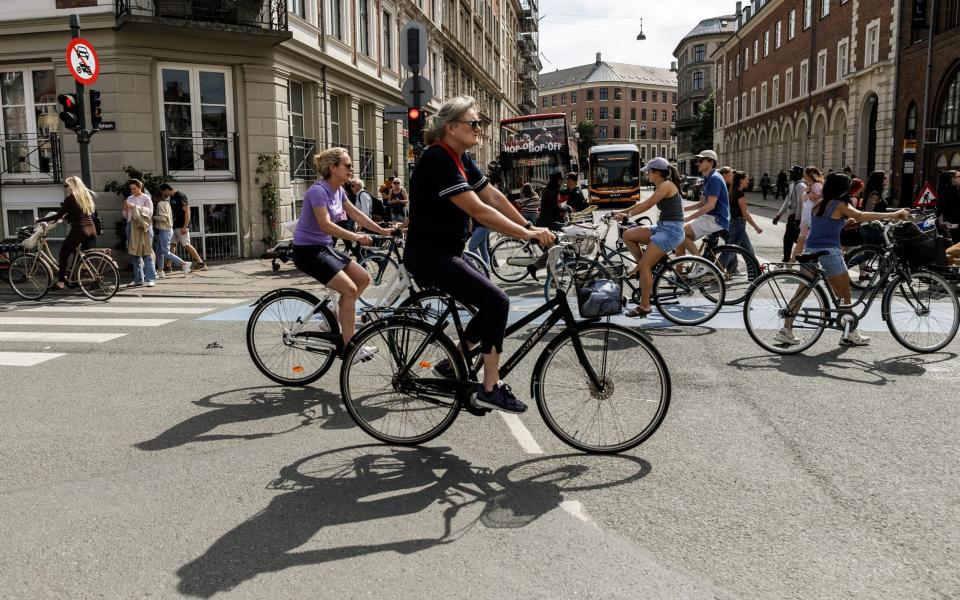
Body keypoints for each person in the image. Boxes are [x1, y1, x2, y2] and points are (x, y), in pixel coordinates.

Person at [404, 95, 554, 414]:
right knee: (497, 301)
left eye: (480, 124)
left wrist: (529, 224)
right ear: (451, 127)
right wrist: (527, 235)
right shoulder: (438, 158)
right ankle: (490, 387)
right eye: (474, 123)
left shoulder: (460, 158)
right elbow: (477, 209)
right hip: (430, 256)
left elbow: (493, 196)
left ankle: (455, 360)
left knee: (489, 305)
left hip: (448, 251)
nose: (480, 129)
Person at [775, 173, 909, 347]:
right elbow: (861, 215)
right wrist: (894, 214)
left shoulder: (820, 203)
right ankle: (850, 333)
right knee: (845, 294)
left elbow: (825, 226)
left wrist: (845, 224)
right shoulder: (840, 204)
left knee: (802, 291)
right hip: (829, 252)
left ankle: (786, 330)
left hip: (811, 249)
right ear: (842, 188)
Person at [292, 147, 396, 362]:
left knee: (363, 278)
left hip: (324, 248)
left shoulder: (339, 191)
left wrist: (382, 230)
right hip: (307, 251)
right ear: (333, 167)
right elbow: (326, 225)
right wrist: (356, 237)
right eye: (347, 165)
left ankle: (335, 314)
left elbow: (356, 214)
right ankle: (350, 348)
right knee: (349, 290)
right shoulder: (317, 191)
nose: (351, 169)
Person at [612, 157, 686, 318]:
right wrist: (622, 211)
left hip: (671, 231)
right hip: (662, 227)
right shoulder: (661, 184)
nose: (647, 175)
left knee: (646, 265)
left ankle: (645, 305)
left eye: (649, 172)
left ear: (657, 173)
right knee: (628, 234)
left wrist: (627, 215)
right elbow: (641, 204)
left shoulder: (666, 185)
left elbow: (647, 205)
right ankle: (642, 265)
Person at [36, 176, 98, 290]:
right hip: (91, 230)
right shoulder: (85, 197)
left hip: (80, 230)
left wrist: (40, 220)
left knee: (63, 254)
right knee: (75, 252)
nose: (65, 188)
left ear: (72, 186)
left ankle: (60, 282)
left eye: (66, 186)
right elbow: (81, 213)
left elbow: (58, 215)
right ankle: (78, 274)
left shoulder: (70, 198)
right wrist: (68, 217)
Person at [678, 149, 729, 257]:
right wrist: (682, 209)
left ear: (711, 162)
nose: (698, 163)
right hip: (710, 217)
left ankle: (701, 263)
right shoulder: (707, 177)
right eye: (698, 160)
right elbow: (703, 203)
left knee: (679, 232)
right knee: (680, 238)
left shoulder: (714, 178)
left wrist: (689, 218)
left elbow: (710, 205)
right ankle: (679, 271)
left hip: (715, 219)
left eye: (701, 160)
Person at [158, 184, 206, 271]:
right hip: (174, 226)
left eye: (162, 192)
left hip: (182, 225)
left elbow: (188, 211)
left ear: (166, 190)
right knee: (172, 245)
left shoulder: (180, 196)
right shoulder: (172, 197)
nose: (163, 194)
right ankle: (168, 266)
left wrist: (185, 226)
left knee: (186, 245)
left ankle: (200, 263)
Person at [123, 178, 157, 287]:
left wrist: (134, 207)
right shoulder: (129, 198)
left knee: (147, 252)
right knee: (134, 253)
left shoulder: (146, 197)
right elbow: (126, 216)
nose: (133, 190)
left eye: (134, 188)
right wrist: (125, 209)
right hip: (131, 225)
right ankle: (138, 279)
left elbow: (150, 212)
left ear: (140, 187)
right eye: (131, 189)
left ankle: (151, 278)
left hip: (144, 226)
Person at [152, 192, 191, 278]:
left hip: (165, 230)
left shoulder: (160, 204)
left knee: (165, 252)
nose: (152, 200)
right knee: (159, 252)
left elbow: (163, 217)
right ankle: (160, 271)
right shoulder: (166, 203)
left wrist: (152, 216)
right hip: (166, 230)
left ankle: (184, 264)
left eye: (153, 197)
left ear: (156, 197)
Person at [772, 166, 807, 262]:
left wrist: (797, 219)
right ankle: (793, 256)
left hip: (795, 216)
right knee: (793, 238)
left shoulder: (801, 186)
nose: (790, 174)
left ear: (799, 174)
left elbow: (801, 203)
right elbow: (787, 201)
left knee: (789, 238)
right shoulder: (793, 185)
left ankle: (787, 258)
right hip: (792, 216)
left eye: (792, 172)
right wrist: (779, 215)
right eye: (790, 172)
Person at [790, 166, 824, 262]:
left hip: (813, 220)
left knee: (806, 244)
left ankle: (795, 264)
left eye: (805, 174)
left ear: (810, 175)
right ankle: (791, 264)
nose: (803, 176)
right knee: (800, 243)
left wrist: (809, 192)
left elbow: (819, 200)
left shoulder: (817, 186)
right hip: (806, 220)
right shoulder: (809, 186)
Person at [728, 170, 763, 259]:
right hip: (738, 224)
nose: (748, 181)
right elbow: (745, 213)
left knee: (749, 251)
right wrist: (756, 227)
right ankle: (715, 269)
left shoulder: (733, 191)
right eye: (747, 179)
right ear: (741, 180)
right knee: (730, 252)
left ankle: (754, 272)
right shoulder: (739, 194)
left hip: (735, 223)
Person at [935, 170, 960, 244]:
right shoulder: (950, 191)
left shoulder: (952, 190)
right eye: (959, 176)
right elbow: (942, 208)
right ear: (953, 179)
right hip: (953, 225)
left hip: (953, 225)